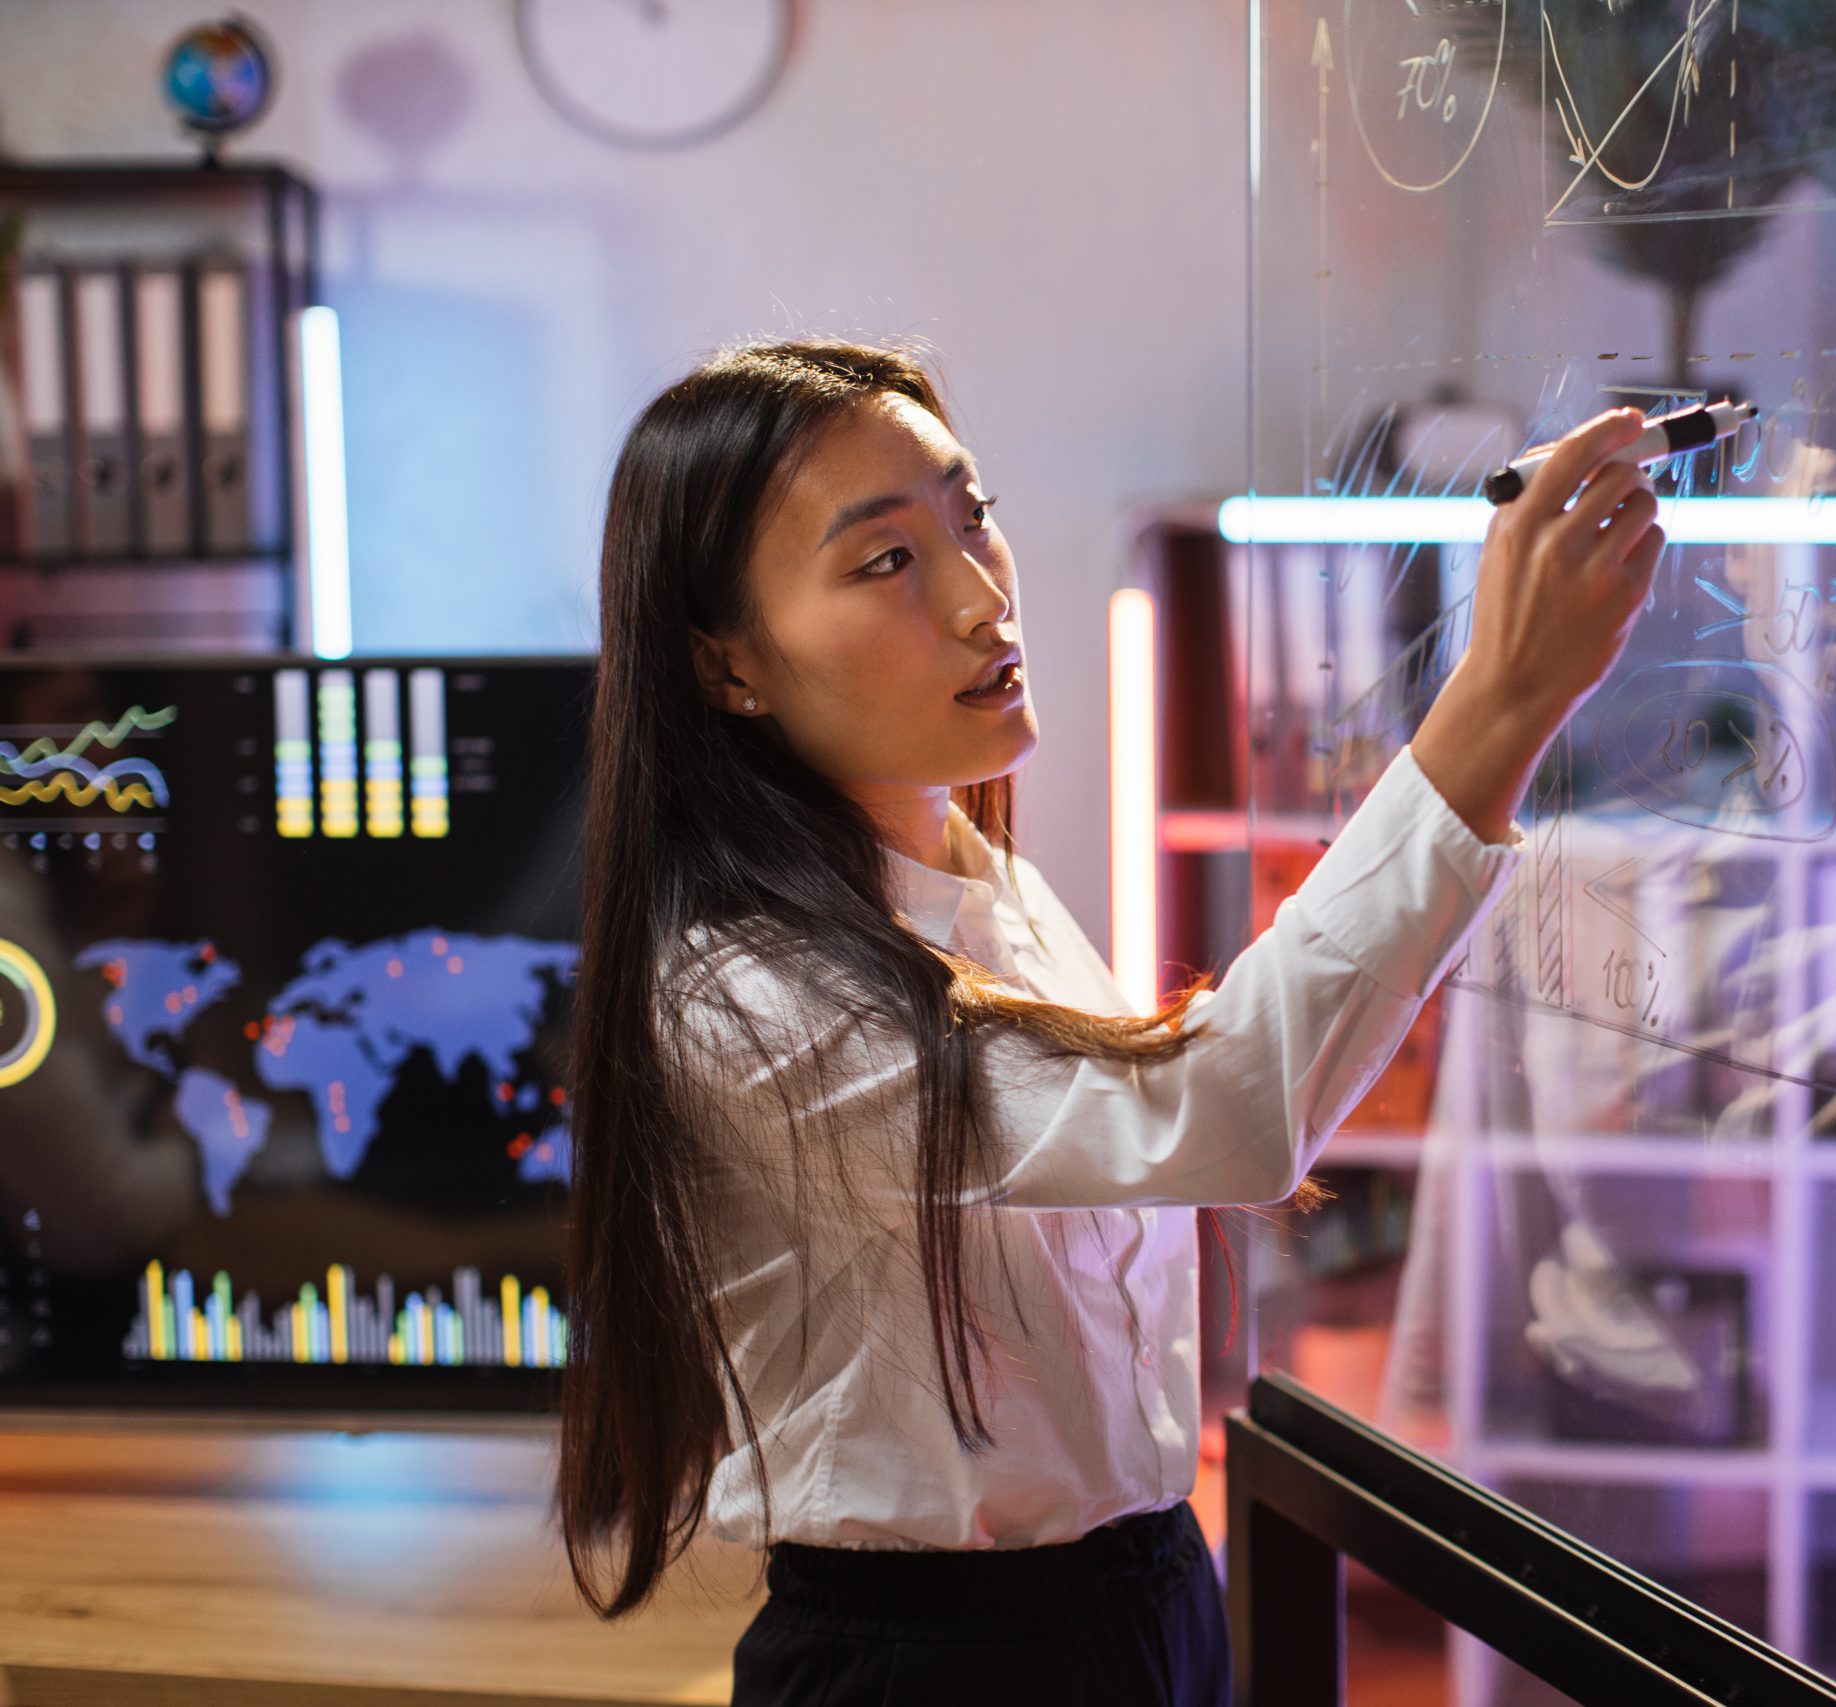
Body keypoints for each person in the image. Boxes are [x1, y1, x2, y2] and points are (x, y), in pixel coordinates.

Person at [556, 339, 1665, 1706]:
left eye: (974, 518)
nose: (980, 597)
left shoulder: (971, 881)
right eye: (886, 561)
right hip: (947, 1666)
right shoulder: (749, 995)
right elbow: (1217, 1112)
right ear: (727, 669)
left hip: (1138, 1597)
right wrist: (1500, 697)